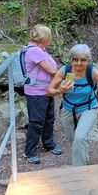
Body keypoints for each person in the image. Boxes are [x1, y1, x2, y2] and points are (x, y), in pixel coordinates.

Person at [47, 44, 98, 166]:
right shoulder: (65, 71)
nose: (78, 63)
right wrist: (60, 90)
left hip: (88, 108)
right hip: (68, 108)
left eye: (82, 60)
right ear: (71, 59)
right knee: (72, 138)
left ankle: (79, 170)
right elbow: (49, 91)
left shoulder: (92, 72)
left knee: (79, 137)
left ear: (87, 60)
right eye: (75, 59)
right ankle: (83, 156)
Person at [23, 24, 61, 164]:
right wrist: (65, 75)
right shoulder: (34, 51)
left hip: (46, 90)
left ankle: (48, 143)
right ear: (44, 37)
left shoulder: (41, 50)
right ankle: (30, 151)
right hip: (36, 92)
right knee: (36, 122)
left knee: (49, 118)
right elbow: (51, 70)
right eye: (49, 36)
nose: (50, 39)